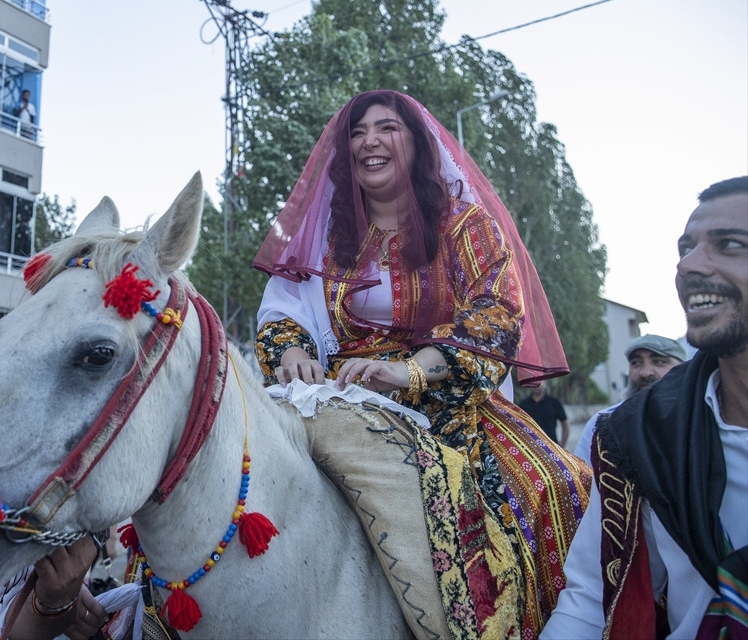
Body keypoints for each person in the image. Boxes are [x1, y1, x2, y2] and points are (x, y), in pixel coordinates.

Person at [254, 89, 590, 635]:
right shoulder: (326, 238)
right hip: (336, 396)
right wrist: (291, 350)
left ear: (417, 143)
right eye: (357, 133)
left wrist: (410, 371)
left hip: (444, 402)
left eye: (386, 128)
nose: (369, 141)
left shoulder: (466, 227)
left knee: (556, 487)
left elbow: (498, 315)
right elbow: (283, 304)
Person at [543, 176, 748, 639]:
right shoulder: (636, 438)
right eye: (685, 247)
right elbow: (593, 600)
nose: (691, 264)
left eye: (730, 244)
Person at [572, 334, 687, 458]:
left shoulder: (698, 417)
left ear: (682, 368)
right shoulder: (603, 424)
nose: (645, 373)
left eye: (659, 362)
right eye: (636, 363)